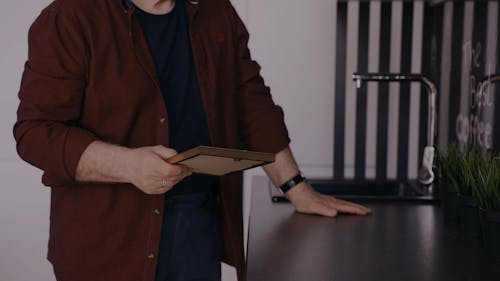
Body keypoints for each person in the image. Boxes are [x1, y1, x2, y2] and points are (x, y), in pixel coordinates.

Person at [13, 0, 371, 280]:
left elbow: (250, 102)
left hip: (197, 222)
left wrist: (296, 188)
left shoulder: (215, 10)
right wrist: (128, 166)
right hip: (105, 237)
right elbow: (35, 131)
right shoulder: (70, 17)